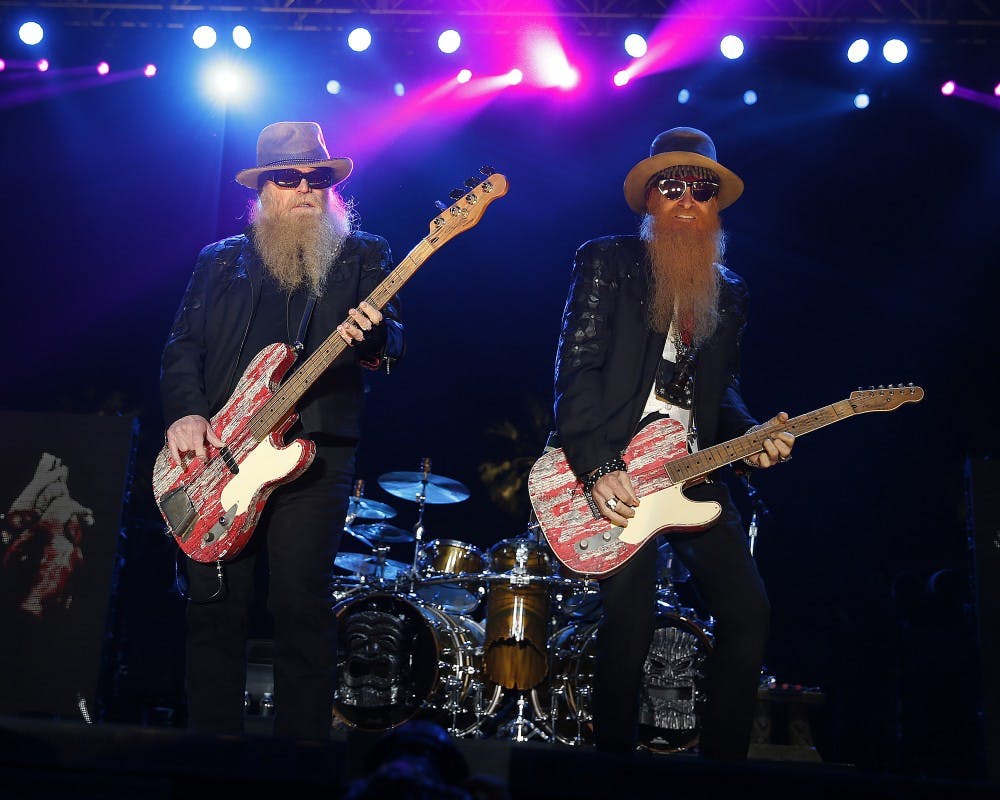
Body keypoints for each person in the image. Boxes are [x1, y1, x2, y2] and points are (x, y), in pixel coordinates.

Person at [550, 127, 794, 760]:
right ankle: (614, 770)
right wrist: (599, 465)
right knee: (627, 621)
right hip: (617, 467)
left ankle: (719, 772)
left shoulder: (730, 291)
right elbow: (576, 368)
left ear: (716, 206)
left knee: (749, 614)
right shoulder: (608, 260)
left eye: (703, 189)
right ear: (650, 201)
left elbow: (724, 392)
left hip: (692, 471)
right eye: (672, 187)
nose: (688, 199)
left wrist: (753, 437)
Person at [160, 121, 404, 740]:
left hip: (315, 450)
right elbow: (181, 347)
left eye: (317, 178)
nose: (305, 189)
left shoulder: (362, 254)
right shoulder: (220, 261)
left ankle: (302, 763)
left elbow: (393, 341)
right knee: (215, 607)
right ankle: (211, 756)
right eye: (289, 178)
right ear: (265, 187)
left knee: (299, 603)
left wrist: (372, 333)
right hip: (222, 453)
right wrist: (186, 411)